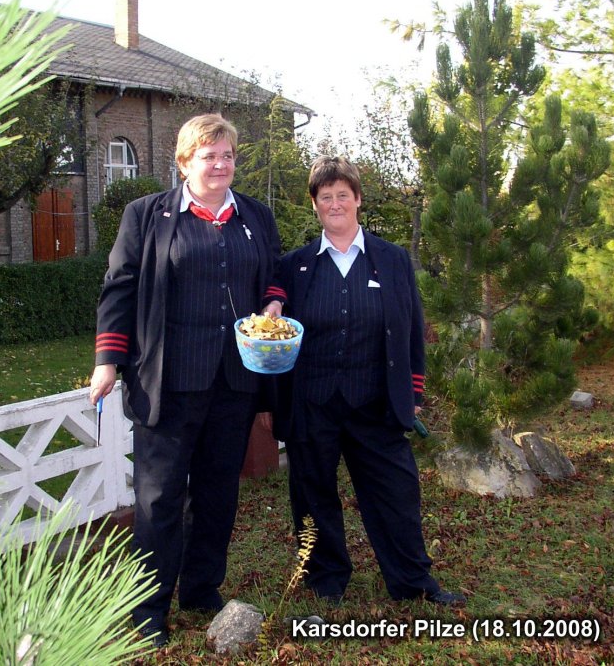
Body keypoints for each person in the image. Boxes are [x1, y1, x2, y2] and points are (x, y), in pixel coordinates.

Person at [89, 114, 286, 647]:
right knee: (158, 500)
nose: (220, 165)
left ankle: (202, 588)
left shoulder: (255, 217)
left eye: (227, 155)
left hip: (232, 382)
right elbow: (119, 288)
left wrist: (272, 302)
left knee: (218, 492)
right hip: (167, 383)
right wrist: (108, 360)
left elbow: (274, 273)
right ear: (184, 162)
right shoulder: (146, 216)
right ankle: (148, 608)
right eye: (208, 156)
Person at [273, 155, 465, 608]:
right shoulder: (294, 267)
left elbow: (412, 329)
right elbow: (274, 318)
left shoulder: (393, 260)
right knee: (313, 495)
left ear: (358, 199)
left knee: (396, 494)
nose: (335, 203)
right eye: (326, 197)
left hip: (376, 402)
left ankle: (413, 581)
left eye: (343, 194)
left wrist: (413, 392)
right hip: (312, 403)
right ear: (315, 206)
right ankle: (326, 579)